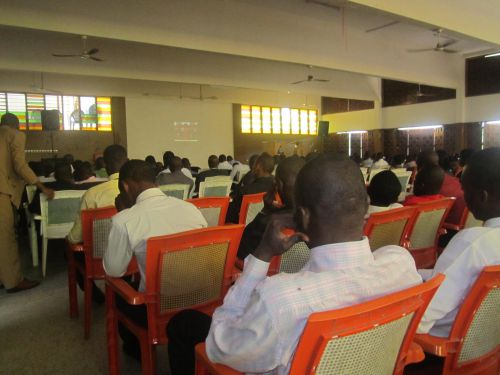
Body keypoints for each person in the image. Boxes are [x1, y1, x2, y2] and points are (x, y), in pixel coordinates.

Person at [166, 156, 422, 375]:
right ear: (366, 207)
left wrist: (263, 253)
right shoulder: (400, 264)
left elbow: (219, 346)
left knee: (184, 323)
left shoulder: (281, 299)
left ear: (302, 216)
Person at [103, 159, 207, 360]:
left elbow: (113, 271)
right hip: (201, 302)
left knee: (118, 294)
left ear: (125, 186)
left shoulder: (125, 220)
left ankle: (136, 351)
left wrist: (124, 213)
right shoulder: (190, 209)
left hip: (157, 313)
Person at [418, 147, 500, 337]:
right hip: (488, 343)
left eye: (465, 190)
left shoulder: (473, 243)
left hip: (444, 341)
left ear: (482, 196)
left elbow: (424, 316)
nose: (464, 196)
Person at [0, 113, 54, 293]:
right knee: (6, 238)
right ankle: (13, 281)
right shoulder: (14, 135)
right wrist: (41, 187)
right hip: (1, 190)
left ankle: (3, 277)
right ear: (16, 125)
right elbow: (20, 165)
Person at [237, 156, 305, 260]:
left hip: (266, 274)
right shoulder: (325, 220)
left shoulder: (271, 222)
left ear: (279, 185)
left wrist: (265, 211)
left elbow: (241, 250)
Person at [67, 144, 127, 244]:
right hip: (134, 256)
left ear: (106, 166)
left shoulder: (92, 194)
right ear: (127, 162)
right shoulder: (138, 191)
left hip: (98, 256)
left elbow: (75, 238)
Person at [416, 151, 466, 225]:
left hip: (446, 230)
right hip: (464, 227)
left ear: (420, 167)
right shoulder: (456, 181)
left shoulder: (430, 188)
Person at [226, 152, 275, 223]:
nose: (253, 167)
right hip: (266, 223)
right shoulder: (276, 185)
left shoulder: (247, 190)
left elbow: (233, 200)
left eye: (255, 164)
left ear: (259, 166)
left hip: (244, 227)